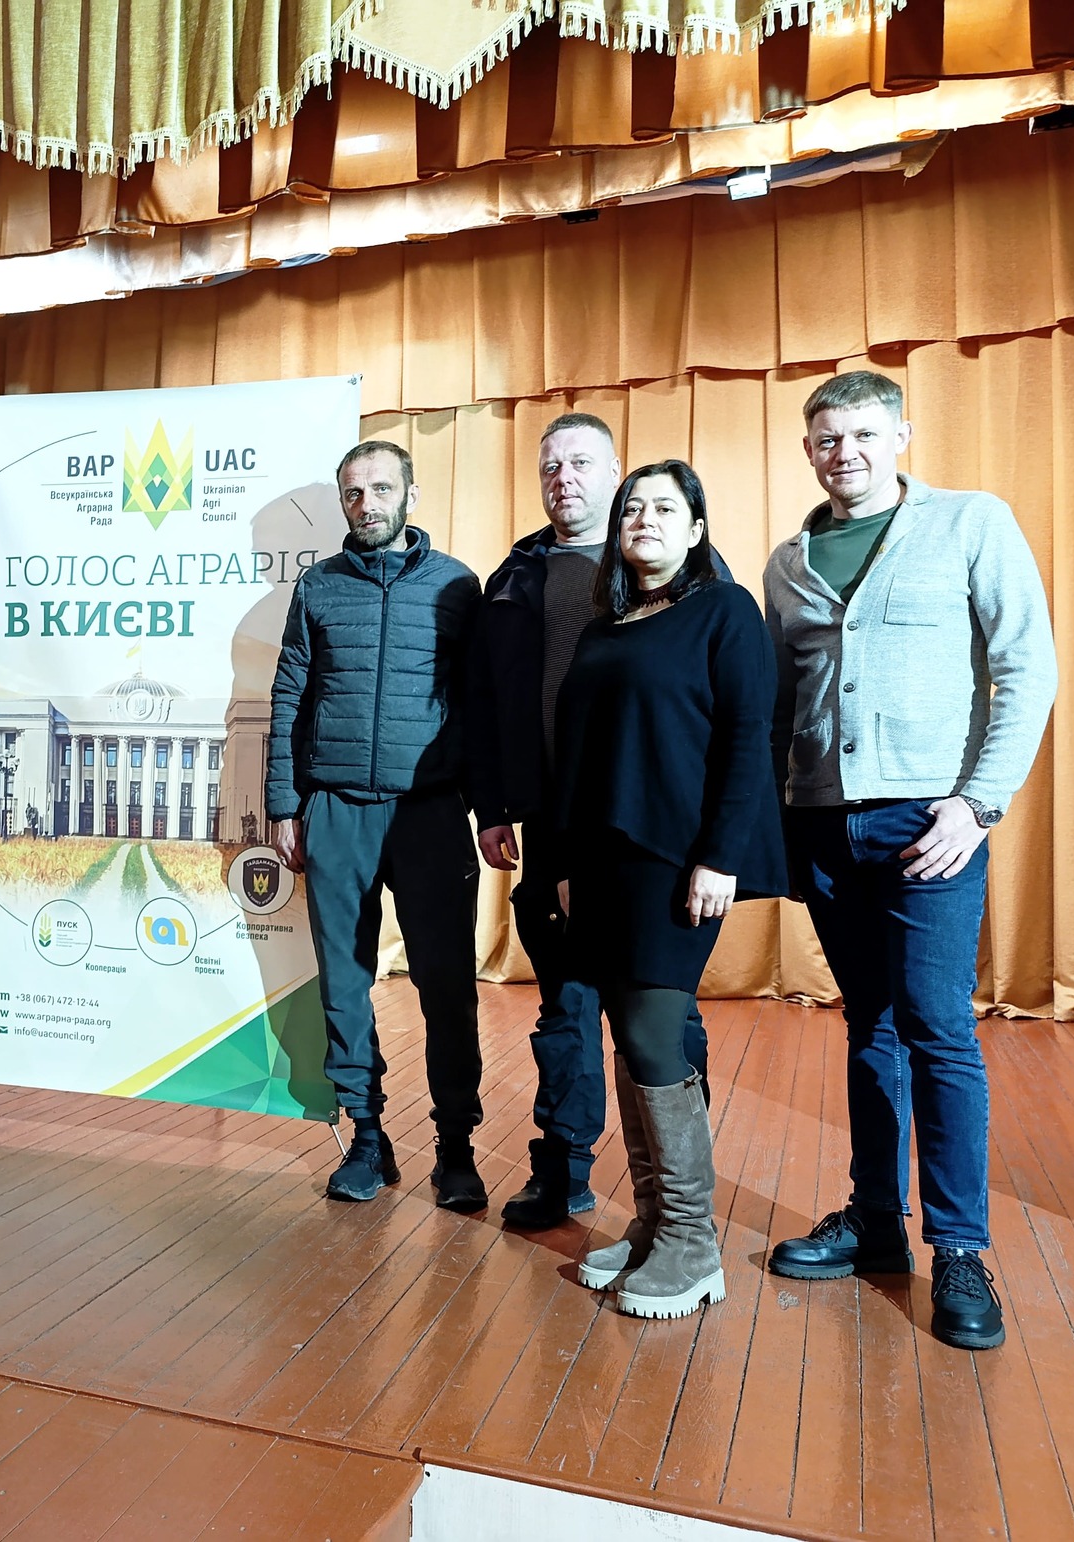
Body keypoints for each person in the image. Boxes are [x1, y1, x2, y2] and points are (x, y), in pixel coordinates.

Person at [763, 371, 1057, 1352]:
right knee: (869, 1025)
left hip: (930, 823)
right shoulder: (787, 562)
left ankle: (960, 1251)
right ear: (809, 450)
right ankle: (876, 1223)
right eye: (825, 438)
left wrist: (978, 803)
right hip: (820, 824)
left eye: (860, 434)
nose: (841, 452)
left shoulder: (969, 522)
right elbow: (782, 705)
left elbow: (1026, 667)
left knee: (936, 1027)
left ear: (899, 436)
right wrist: (775, 823)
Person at [469, 414, 720, 1230]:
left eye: (581, 463)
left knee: (661, 1005)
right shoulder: (515, 574)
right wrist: (497, 805)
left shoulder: (678, 569)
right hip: (551, 820)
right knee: (566, 1004)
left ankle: (682, 1193)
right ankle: (563, 1167)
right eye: (551, 465)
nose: (564, 478)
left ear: (616, 473)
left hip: (650, 823)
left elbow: (724, 709)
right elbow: (488, 700)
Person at [551, 460, 784, 1319]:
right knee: (628, 1036)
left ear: (696, 529)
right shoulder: (605, 627)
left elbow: (748, 738)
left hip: (677, 856)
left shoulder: (724, 610)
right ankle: (653, 1224)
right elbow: (579, 756)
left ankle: (692, 1241)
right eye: (632, 509)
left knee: (654, 1032)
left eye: (664, 508)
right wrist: (564, 864)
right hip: (602, 860)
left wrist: (720, 855)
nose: (644, 519)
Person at [267, 440, 485, 1208]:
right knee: (344, 986)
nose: (367, 504)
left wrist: (487, 807)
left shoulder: (457, 585)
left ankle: (456, 1148)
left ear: (410, 496)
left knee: (447, 987)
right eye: (354, 493)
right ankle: (366, 1135)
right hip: (335, 811)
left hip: (430, 812)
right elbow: (289, 694)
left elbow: (480, 702)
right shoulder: (319, 585)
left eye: (381, 489)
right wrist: (284, 804)